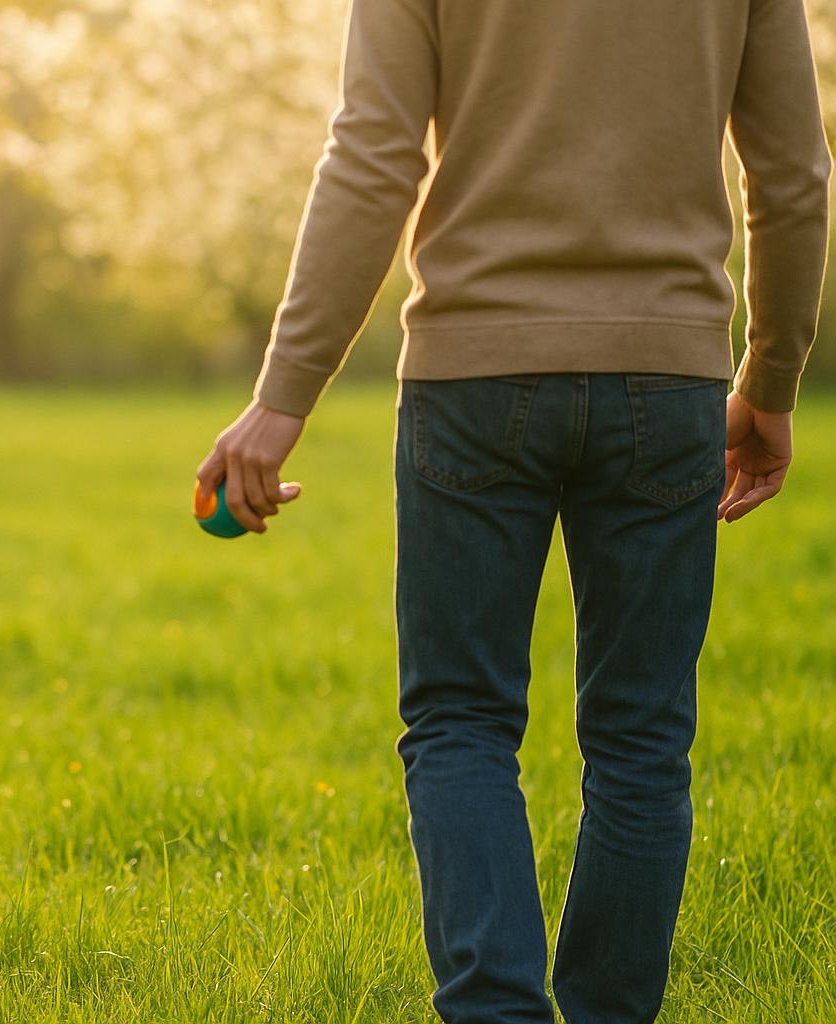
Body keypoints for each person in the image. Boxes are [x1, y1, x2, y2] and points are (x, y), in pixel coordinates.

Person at [196, 1, 830, 1021]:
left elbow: (373, 156)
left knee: (460, 719)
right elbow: (793, 174)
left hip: (473, 377)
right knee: (640, 737)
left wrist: (284, 393)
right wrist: (774, 375)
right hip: (665, 374)